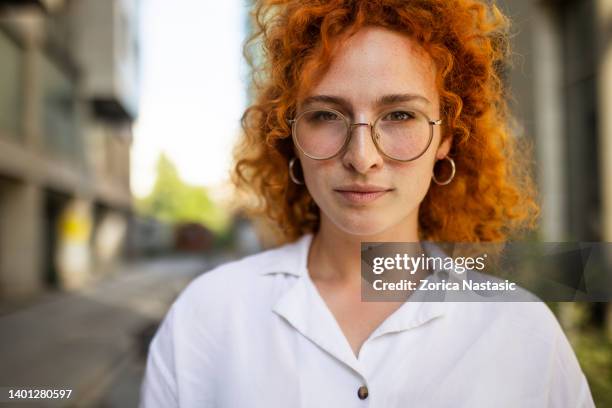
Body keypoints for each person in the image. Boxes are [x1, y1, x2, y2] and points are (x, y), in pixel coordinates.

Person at [139, 0, 595, 406]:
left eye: (400, 115)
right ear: (291, 134)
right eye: (325, 115)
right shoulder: (208, 317)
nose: (362, 157)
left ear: (447, 138)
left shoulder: (522, 333)